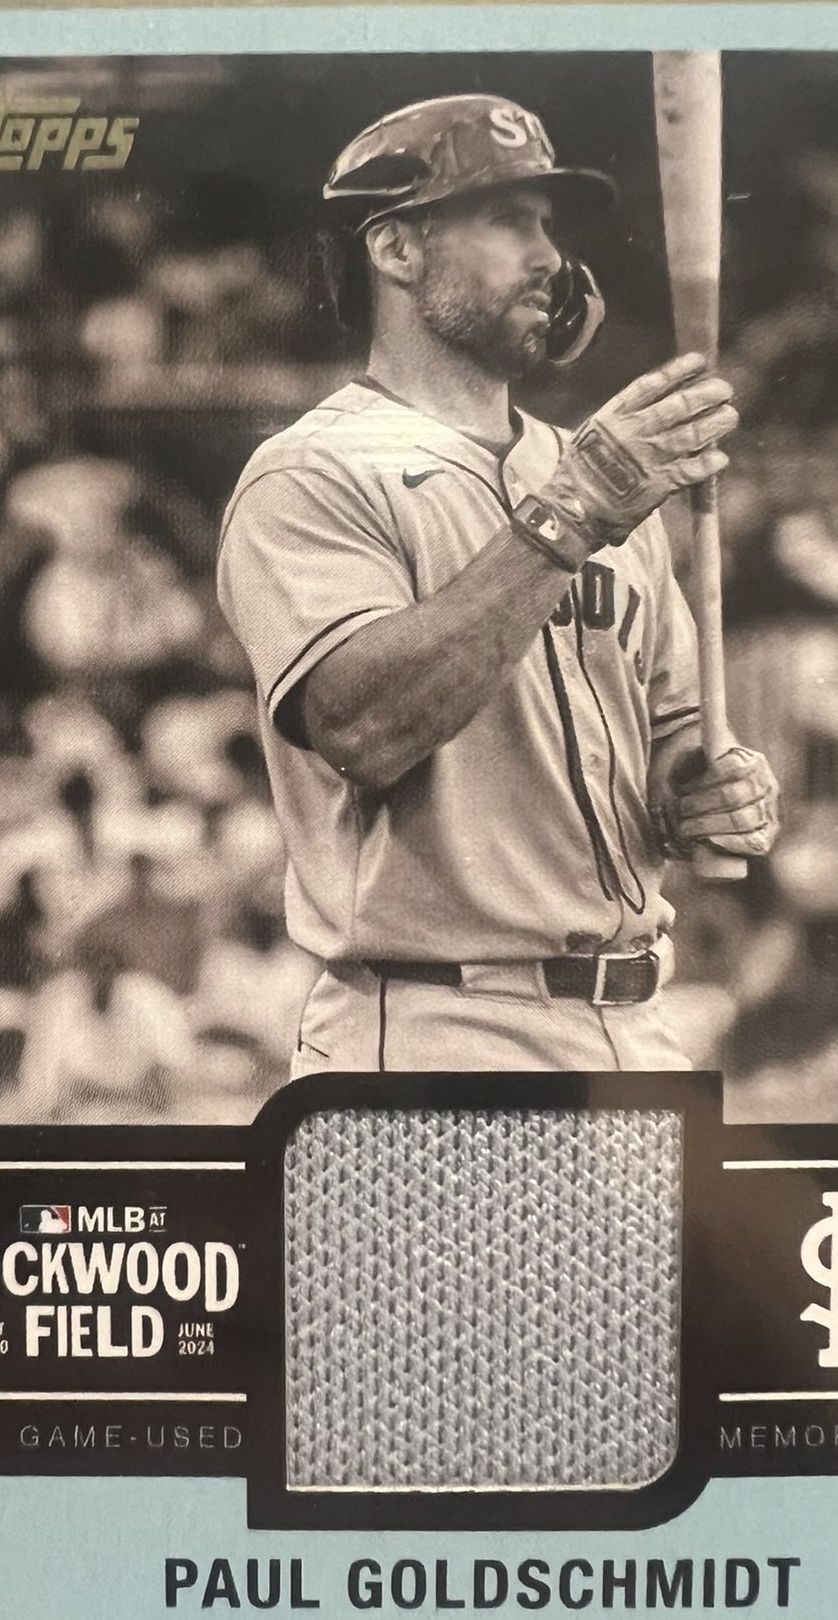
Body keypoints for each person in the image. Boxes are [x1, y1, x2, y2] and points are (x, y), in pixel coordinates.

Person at [217, 93, 780, 1074]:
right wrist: (574, 514)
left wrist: (703, 786)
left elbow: (673, 728)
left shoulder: (593, 468)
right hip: (439, 1028)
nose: (549, 256)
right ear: (397, 249)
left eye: (548, 224)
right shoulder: (313, 472)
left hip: (640, 1026)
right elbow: (363, 728)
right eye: (508, 219)